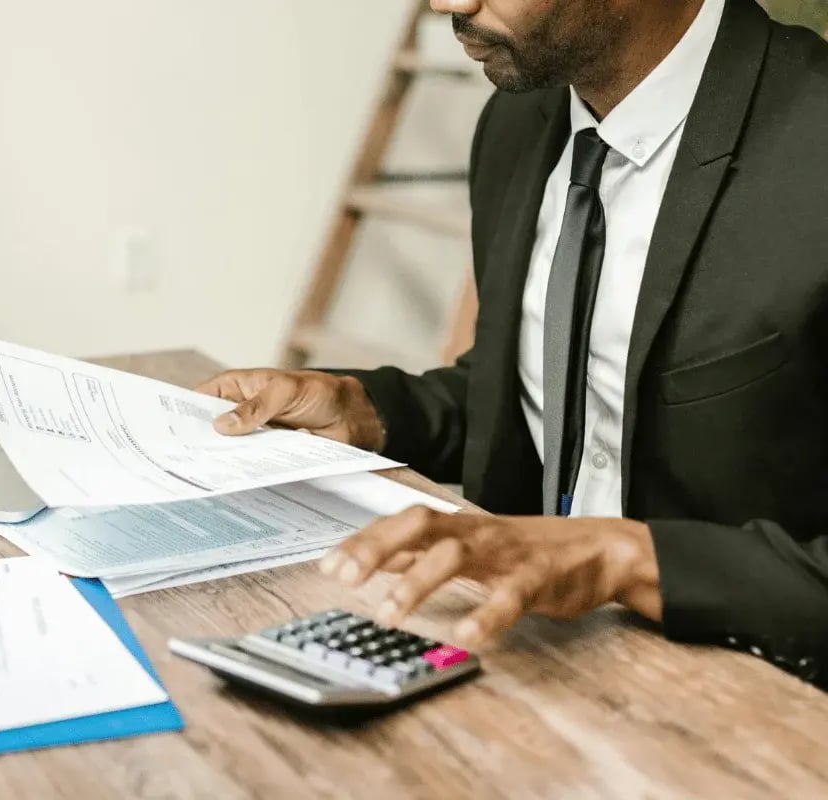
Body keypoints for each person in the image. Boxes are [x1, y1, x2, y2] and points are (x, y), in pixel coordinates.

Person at [198, 0, 828, 688]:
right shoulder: (518, 123)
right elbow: (560, 398)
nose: (449, 4)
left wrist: (624, 556)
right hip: (532, 662)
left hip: (762, 702)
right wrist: (369, 409)